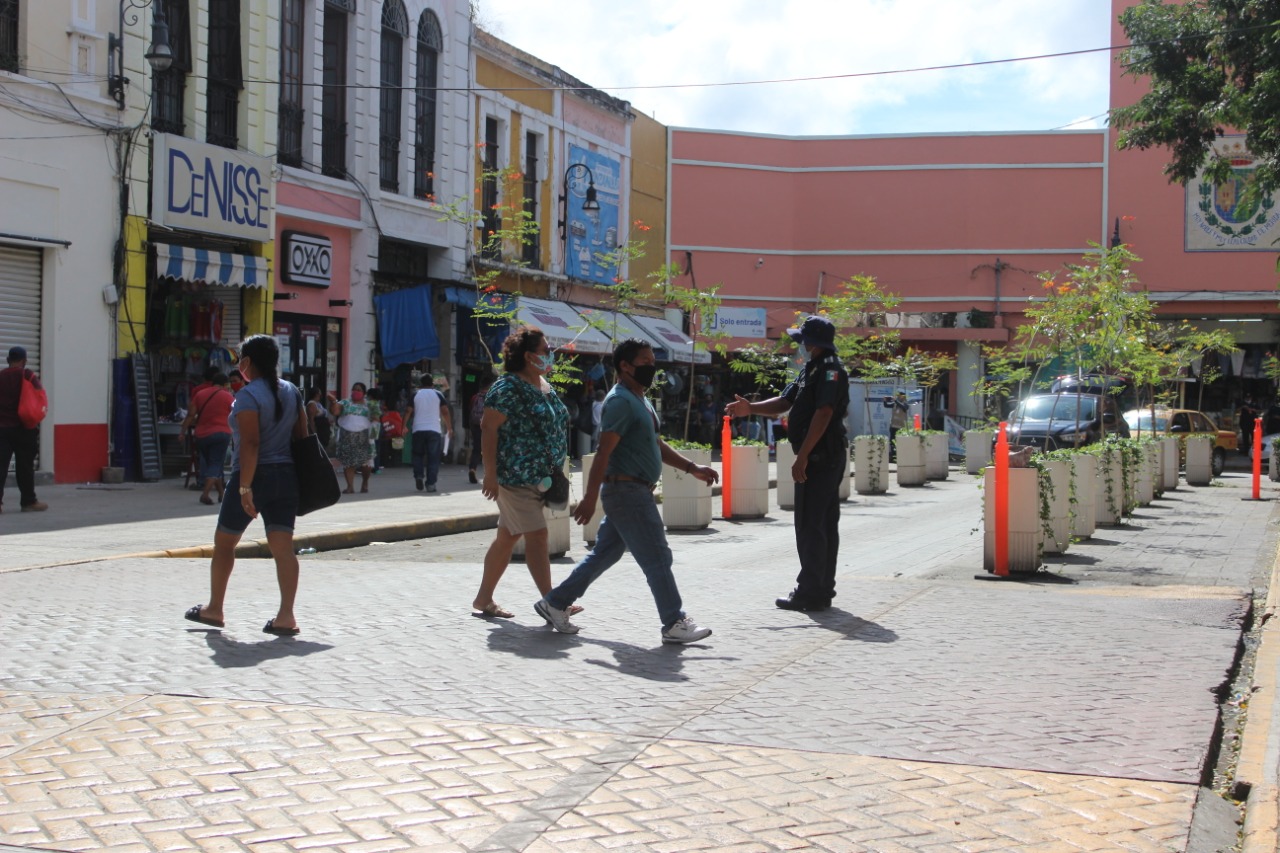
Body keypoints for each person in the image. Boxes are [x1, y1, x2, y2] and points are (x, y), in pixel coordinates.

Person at [534, 337, 718, 644]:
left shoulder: (640, 398)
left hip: (633, 490)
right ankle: (674, 621)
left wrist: (691, 468)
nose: (651, 367)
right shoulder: (620, 401)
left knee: (606, 553)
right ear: (625, 366)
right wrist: (590, 497)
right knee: (657, 556)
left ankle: (555, 601)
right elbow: (603, 453)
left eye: (652, 361)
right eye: (645, 362)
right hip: (627, 491)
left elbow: (655, 444)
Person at [183, 334, 309, 635]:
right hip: (286, 476)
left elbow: (251, 442)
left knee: (224, 543)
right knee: (283, 548)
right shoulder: (292, 391)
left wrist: (244, 487)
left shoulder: (248, 396)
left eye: (240, 359)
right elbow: (303, 434)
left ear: (248, 362)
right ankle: (286, 616)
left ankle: (214, 609)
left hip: (254, 475)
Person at [727, 315, 849, 612]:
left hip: (822, 457)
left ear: (812, 342)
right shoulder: (812, 369)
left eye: (803, 340)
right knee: (820, 524)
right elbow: (785, 402)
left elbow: (824, 413)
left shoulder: (830, 371)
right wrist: (750, 408)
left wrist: (803, 456)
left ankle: (811, 591)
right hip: (821, 456)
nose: (801, 345)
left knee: (811, 524)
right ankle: (820, 589)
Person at [472, 327, 576, 619]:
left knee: (507, 537)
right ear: (529, 356)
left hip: (542, 476)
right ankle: (553, 602)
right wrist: (489, 474)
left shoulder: (543, 383)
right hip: (515, 478)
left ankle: (483, 599)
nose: (550, 354)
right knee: (538, 536)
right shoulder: (506, 388)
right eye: (545, 350)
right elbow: (488, 428)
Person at [0, 346, 47, 512]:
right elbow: (39, 394)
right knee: (25, 467)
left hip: (2, 428)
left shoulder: (1, 376)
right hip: (24, 427)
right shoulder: (27, 375)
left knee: (1, 466)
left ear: (8, 360)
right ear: (24, 360)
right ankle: (28, 502)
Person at [180, 372, 234, 505]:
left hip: (202, 435)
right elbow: (235, 416)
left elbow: (190, 415)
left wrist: (182, 432)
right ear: (225, 384)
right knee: (215, 464)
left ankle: (222, 494)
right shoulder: (228, 397)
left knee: (213, 464)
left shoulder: (200, 394)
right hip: (222, 434)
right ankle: (205, 494)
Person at [330, 381, 378, 494]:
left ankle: (365, 483)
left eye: (359, 390)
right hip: (347, 435)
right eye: (354, 389)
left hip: (364, 436)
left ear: (364, 393)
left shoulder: (370, 404)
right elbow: (335, 411)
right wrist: (332, 402)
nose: (356, 392)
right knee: (348, 463)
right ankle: (350, 486)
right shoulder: (345, 403)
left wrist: (374, 436)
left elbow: (376, 419)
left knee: (366, 464)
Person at [407, 374, 452, 492]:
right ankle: (431, 484)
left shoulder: (415, 394)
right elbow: (445, 411)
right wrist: (449, 428)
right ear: (432, 383)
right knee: (433, 458)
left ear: (420, 384)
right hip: (434, 430)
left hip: (418, 429)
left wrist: (403, 427)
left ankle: (418, 476)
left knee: (417, 455)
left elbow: (408, 411)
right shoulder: (438, 394)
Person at [467, 380, 490, 484]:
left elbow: (470, 410)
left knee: (476, 449)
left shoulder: (475, 397)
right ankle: (490, 474)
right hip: (488, 426)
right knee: (490, 449)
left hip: (476, 425)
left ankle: (472, 469)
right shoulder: (492, 397)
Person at [305, 386, 332, 451]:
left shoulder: (318, 404)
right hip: (319, 431)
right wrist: (314, 434)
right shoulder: (312, 404)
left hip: (323, 431)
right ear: (316, 394)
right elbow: (311, 420)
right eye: (320, 392)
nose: (321, 394)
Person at [886, 390, 910, 460]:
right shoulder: (895, 404)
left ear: (903, 396)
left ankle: (899, 456)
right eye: (897, 396)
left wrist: (896, 400)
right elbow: (886, 405)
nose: (898, 397)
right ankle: (893, 456)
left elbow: (903, 407)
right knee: (892, 442)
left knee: (900, 442)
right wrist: (884, 400)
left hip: (901, 427)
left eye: (899, 396)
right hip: (893, 426)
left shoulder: (905, 404)